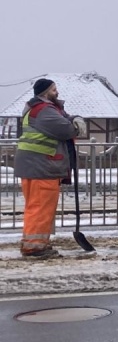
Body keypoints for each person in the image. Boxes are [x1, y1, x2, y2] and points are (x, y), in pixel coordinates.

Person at [15, 78, 85, 259]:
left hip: (33, 166)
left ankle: (35, 244)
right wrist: (76, 124)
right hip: (43, 167)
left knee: (35, 207)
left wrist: (73, 118)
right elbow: (66, 129)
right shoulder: (45, 110)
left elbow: (63, 118)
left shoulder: (36, 108)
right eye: (54, 90)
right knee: (41, 208)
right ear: (45, 92)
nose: (57, 92)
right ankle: (35, 248)